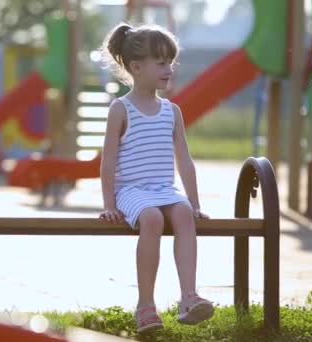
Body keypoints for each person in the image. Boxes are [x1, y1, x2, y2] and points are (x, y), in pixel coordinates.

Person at [98, 23, 214, 333]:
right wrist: (109, 204)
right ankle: (145, 306)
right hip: (132, 191)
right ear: (136, 67)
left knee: (184, 214)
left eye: (170, 62)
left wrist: (195, 202)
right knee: (151, 219)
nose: (169, 69)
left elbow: (185, 162)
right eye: (161, 63)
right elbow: (108, 162)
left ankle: (188, 297)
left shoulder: (171, 111)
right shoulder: (120, 109)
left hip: (164, 188)